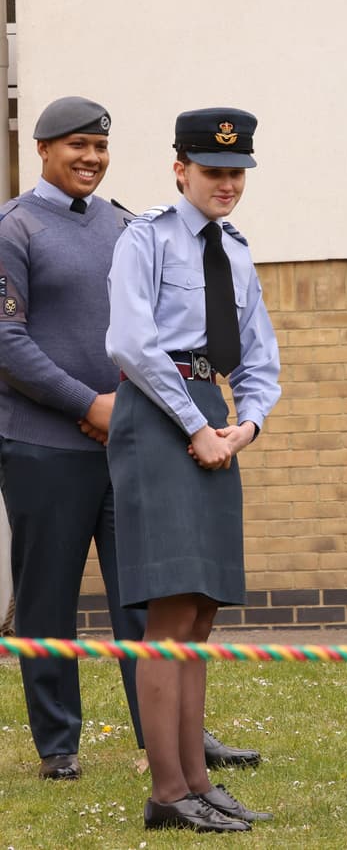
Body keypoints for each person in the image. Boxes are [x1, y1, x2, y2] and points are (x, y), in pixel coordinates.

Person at [0, 96, 256, 780]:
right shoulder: (15, 227)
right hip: (44, 445)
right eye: (75, 145)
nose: (90, 157)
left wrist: (128, 410)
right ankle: (58, 744)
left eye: (100, 146)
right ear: (44, 150)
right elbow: (6, 340)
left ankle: (172, 736)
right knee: (47, 596)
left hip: (132, 442)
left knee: (149, 594)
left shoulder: (126, 226)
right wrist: (89, 404)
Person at [106, 107, 280, 831]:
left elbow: (263, 358)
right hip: (159, 413)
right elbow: (131, 343)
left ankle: (199, 782)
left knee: (201, 612)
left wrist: (245, 425)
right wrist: (197, 427)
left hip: (211, 415)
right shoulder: (144, 237)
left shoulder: (237, 252)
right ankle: (168, 793)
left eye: (237, 172)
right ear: (181, 168)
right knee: (170, 611)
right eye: (213, 171)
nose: (227, 184)